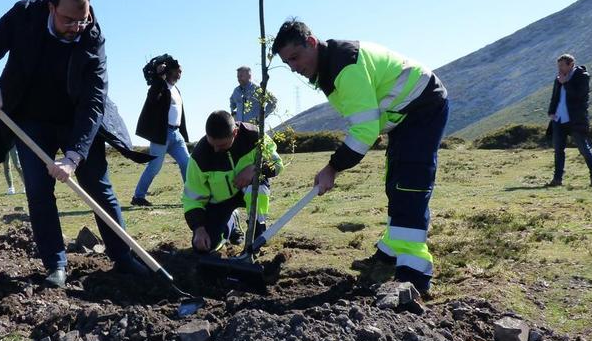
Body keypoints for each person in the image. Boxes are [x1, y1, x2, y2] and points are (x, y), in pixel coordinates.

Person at [0, 0, 150, 288]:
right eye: (68, 19)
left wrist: (74, 156)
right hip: (30, 118)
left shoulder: (93, 37)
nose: (76, 26)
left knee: (98, 185)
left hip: (75, 118)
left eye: (83, 19)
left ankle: (123, 258)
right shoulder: (24, 15)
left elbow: (94, 101)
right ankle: (56, 263)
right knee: (39, 191)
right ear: (51, 8)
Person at [272, 19, 448, 293]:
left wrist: (333, 167)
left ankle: (414, 277)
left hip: (423, 106)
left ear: (312, 43)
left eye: (295, 57)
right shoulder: (329, 67)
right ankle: (390, 251)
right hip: (402, 116)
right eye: (288, 63)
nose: (294, 68)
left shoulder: (345, 67)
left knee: (409, 184)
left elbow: (365, 131)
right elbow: (366, 123)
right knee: (397, 180)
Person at [182, 110, 283, 253]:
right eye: (212, 144)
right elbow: (192, 197)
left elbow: (277, 164)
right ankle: (231, 222)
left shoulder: (255, 136)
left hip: (249, 190)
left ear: (234, 133)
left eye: (222, 145)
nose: (216, 150)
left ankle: (257, 227)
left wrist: (255, 168)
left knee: (258, 184)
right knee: (205, 247)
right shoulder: (199, 156)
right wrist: (198, 228)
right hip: (220, 201)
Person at [132, 55, 190, 207]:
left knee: (187, 163)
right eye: (178, 71)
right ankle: (138, 197)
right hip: (161, 133)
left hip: (176, 134)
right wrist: (158, 77)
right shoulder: (160, 86)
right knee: (155, 166)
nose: (180, 74)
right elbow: (152, 98)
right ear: (170, 71)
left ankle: (191, 196)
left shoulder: (176, 89)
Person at [546, 54, 592, 187]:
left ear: (571, 64)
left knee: (583, 149)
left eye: (562, 65)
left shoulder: (582, 76)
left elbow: (580, 96)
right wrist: (551, 112)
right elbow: (554, 96)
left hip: (576, 119)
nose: (560, 68)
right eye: (559, 65)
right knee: (558, 150)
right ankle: (557, 179)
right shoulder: (559, 78)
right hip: (559, 119)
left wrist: (566, 83)